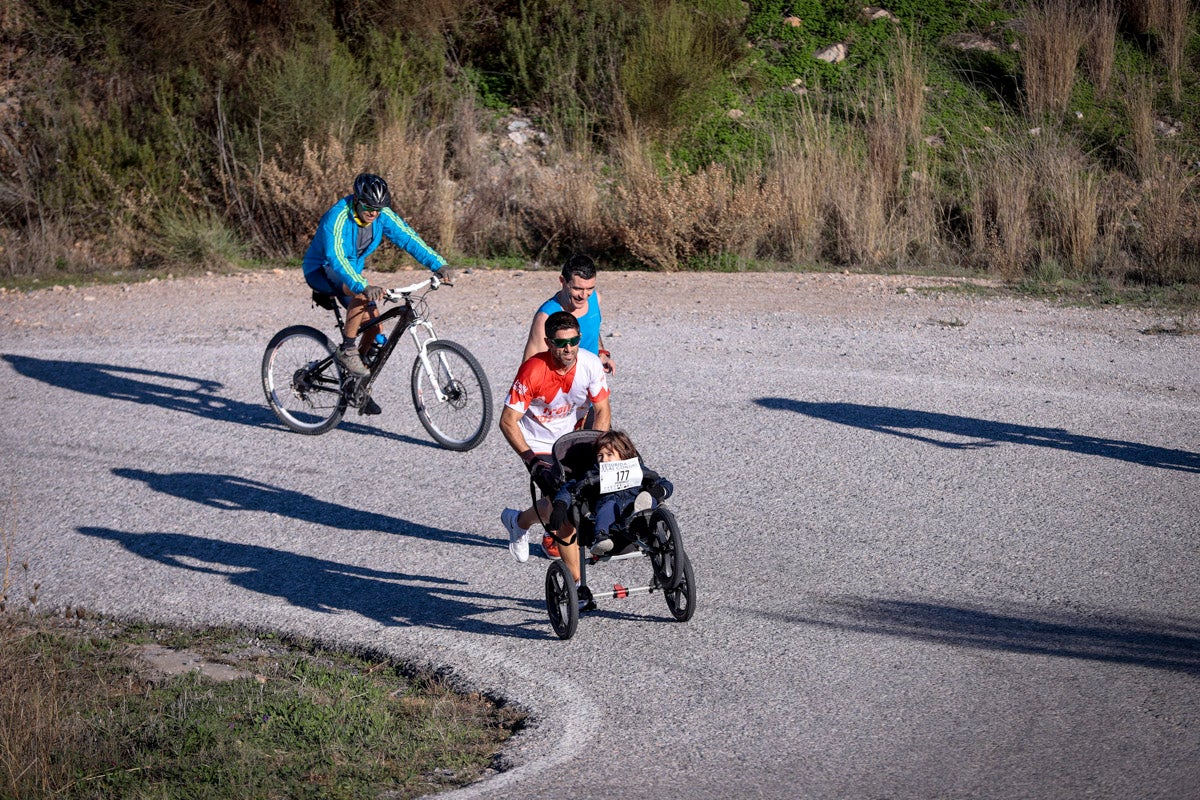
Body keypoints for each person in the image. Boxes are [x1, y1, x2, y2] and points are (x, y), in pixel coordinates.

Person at [301, 172, 449, 413]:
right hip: (323, 269)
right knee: (361, 294)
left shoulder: (381, 215)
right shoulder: (336, 217)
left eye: (379, 208)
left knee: (376, 331)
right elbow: (336, 258)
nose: (374, 212)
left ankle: (356, 384)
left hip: (351, 274)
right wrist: (362, 286)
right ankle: (347, 349)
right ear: (357, 200)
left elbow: (409, 238)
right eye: (369, 206)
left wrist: (438, 264)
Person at [499, 311, 611, 592]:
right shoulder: (533, 370)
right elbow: (507, 421)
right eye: (561, 343)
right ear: (548, 343)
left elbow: (602, 411)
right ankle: (576, 587)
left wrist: (600, 449)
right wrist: (532, 462)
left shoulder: (590, 364)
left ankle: (518, 520)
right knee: (566, 513)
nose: (568, 348)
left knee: (593, 490)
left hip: (575, 438)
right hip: (538, 444)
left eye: (573, 341)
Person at [549, 429, 673, 557]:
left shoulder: (637, 469)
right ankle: (601, 538)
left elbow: (664, 483)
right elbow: (570, 488)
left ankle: (641, 516)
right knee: (608, 507)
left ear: (623, 454)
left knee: (648, 497)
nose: (604, 459)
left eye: (609, 454)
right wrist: (560, 505)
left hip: (636, 507)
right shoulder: (593, 474)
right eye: (600, 455)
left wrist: (658, 491)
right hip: (612, 516)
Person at [522, 254, 614, 375]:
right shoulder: (546, 317)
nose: (584, 295)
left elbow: (593, 329)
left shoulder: (595, 299)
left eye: (589, 288)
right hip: (562, 387)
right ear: (562, 281)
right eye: (577, 288)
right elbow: (529, 369)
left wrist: (601, 353)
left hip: (592, 379)